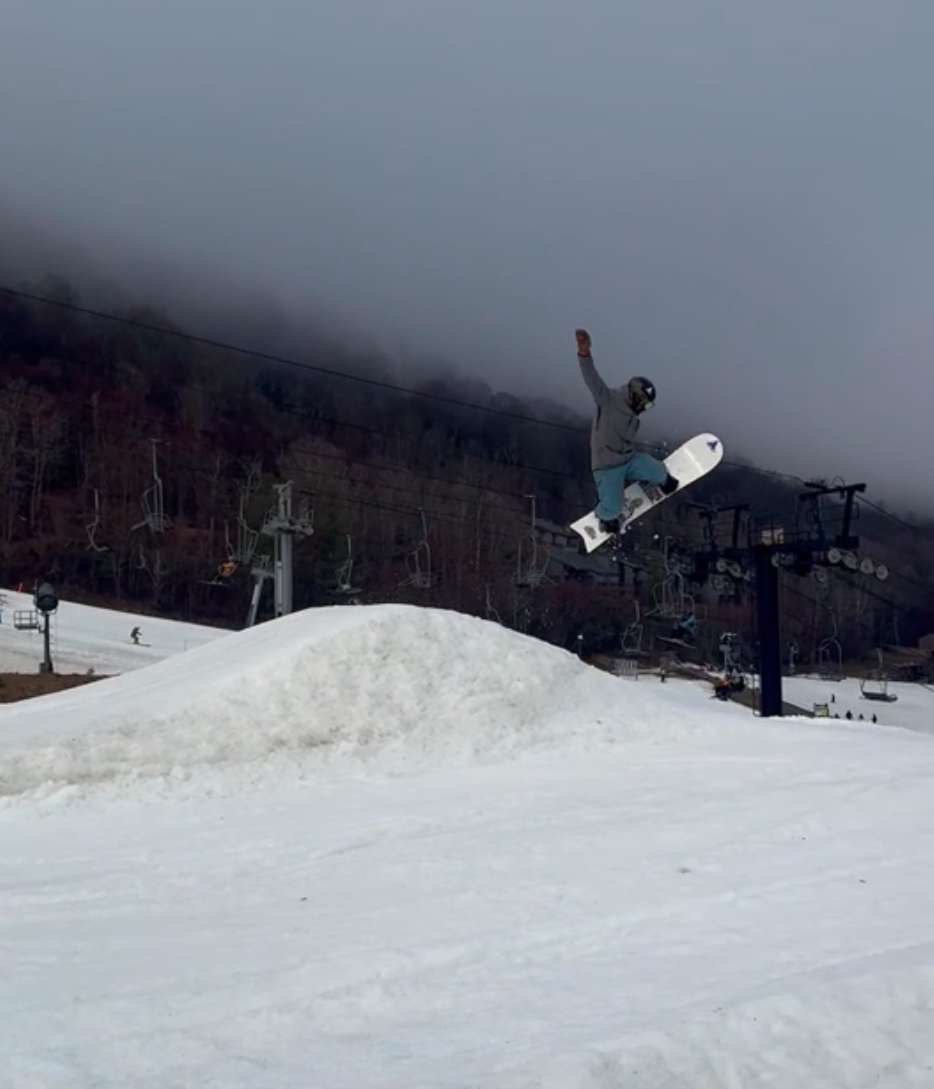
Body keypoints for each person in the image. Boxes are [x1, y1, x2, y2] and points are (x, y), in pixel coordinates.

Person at [576, 328, 678, 533]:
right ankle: (605, 518)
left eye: (649, 406)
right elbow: (591, 378)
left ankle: (664, 481)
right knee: (613, 507)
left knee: (657, 470)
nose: (645, 409)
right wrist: (584, 352)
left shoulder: (633, 415)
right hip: (606, 468)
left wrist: (659, 477)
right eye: (646, 404)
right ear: (635, 397)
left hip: (629, 460)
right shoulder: (608, 400)